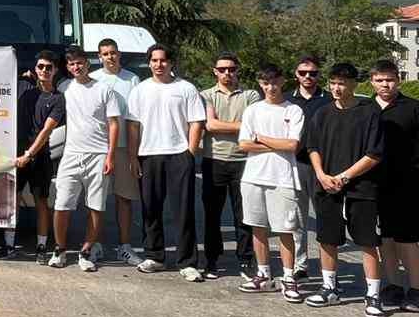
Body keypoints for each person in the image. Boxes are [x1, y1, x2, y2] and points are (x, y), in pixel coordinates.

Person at [302, 64, 386, 317]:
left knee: (367, 241)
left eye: (342, 83)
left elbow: (375, 153)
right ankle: (330, 288)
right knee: (327, 239)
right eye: (333, 82)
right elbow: (312, 147)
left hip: (362, 188)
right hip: (327, 186)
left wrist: (345, 176)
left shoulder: (369, 112)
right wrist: (321, 175)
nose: (337, 88)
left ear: (354, 84)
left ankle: (373, 295)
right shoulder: (322, 112)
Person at [128, 44, 207, 280]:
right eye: (154, 60)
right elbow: (133, 126)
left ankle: (187, 262)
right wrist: (133, 156)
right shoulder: (140, 90)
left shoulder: (186, 88)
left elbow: (197, 122)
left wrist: (189, 153)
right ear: (149, 63)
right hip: (149, 154)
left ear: (171, 62)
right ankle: (155, 256)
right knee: (150, 209)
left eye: (163, 60)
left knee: (183, 211)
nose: (158, 65)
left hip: (178, 155)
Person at [368, 60, 419, 312]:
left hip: (407, 182)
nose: (386, 84)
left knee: (407, 238)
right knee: (384, 237)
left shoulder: (415, 108)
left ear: (399, 80)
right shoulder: (365, 108)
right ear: (372, 81)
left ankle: (416, 290)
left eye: (390, 79)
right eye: (380, 80)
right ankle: (393, 285)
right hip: (374, 182)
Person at [236, 66, 307, 298]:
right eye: (266, 83)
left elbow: (292, 146)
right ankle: (264, 275)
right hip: (253, 177)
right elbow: (244, 144)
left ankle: (288, 278)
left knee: (285, 230)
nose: (271, 87)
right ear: (260, 84)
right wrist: (276, 143)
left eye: (275, 82)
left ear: (283, 81)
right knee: (258, 228)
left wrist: (261, 138)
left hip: (283, 178)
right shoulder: (252, 110)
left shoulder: (294, 110)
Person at [49, 46, 120, 273]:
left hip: (99, 155)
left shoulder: (104, 89)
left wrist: (110, 155)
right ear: (67, 67)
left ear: (87, 63)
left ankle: (86, 251)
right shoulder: (64, 87)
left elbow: (114, 124)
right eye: (71, 64)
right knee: (62, 205)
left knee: (96, 206)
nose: (76, 67)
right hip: (71, 154)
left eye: (79, 63)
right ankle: (59, 249)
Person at [199, 54, 258, 278]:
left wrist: (230, 126)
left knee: (243, 215)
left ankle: (245, 260)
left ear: (237, 70)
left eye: (231, 69)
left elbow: (253, 126)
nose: (227, 73)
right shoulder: (205, 95)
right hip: (214, 160)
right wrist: (241, 126)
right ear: (215, 71)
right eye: (222, 69)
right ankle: (212, 259)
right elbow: (210, 125)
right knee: (212, 214)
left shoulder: (251, 95)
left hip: (244, 160)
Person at [84, 39, 142, 264]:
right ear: (99, 57)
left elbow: (134, 117)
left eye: (113, 53)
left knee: (124, 198)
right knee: (96, 200)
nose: (110, 57)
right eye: (105, 53)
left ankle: (125, 246)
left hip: (124, 148)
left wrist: (133, 152)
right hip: (98, 147)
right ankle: (94, 244)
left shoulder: (132, 79)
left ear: (119, 54)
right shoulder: (94, 79)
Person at [14, 50, 65, 262]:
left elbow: (46, 131)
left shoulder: (58, 99)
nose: (44, 70)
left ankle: (42, 246)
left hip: (39, 156)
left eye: (49, 67)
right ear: (35, 69)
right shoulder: (23, 89)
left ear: (55, 71)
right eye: (41, 66)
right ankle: (8, 244)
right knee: (12, 200)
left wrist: (29, 154)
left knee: (41, 201)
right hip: (16, 155)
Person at [286, 57, 329, 283]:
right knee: (298, 219)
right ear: (296, 74)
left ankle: (328, 268)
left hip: (322, 167)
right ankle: (300, 264)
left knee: (324, 218)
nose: (308, 77)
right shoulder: (286, 101)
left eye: (312, 73)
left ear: (318, 75)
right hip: (296, 165)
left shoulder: (328, 100)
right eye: (303, 73)